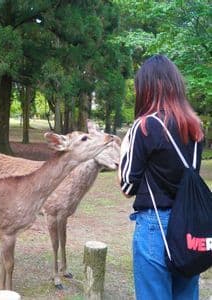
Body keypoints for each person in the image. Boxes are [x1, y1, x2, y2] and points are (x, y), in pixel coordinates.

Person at [119, 54, 204, 300]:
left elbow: (126, 186)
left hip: (155, 228)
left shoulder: (144, 127)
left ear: (146, 88)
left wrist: (125, 147)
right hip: (189, 226)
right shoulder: (196, 128)